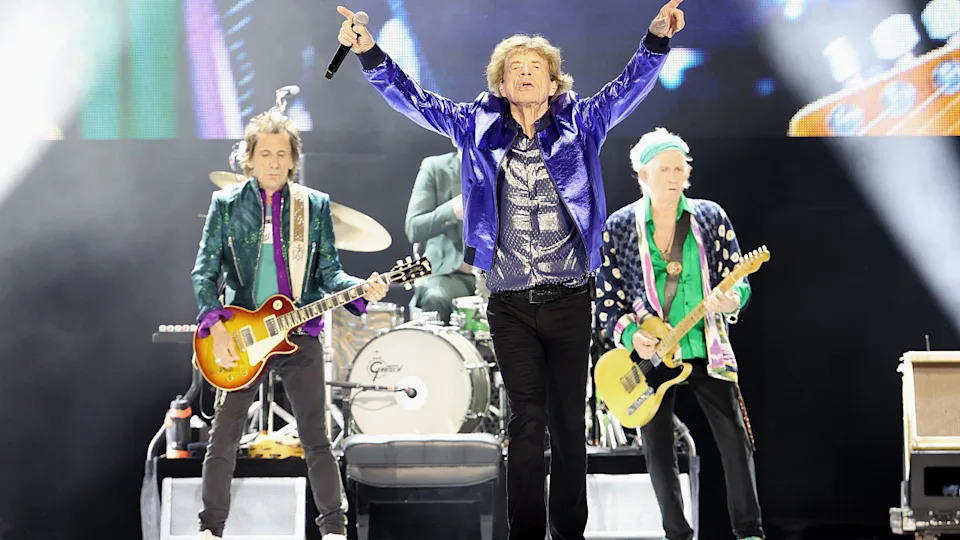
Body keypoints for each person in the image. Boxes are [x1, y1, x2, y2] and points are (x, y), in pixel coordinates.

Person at [334, 3, 685, 538]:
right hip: (510, 302)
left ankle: (569, 530)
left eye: (535, 66)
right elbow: (412, 98)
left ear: (552, 80)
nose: (525, 71)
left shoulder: (583, 121)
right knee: (525, 422)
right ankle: (524, 533)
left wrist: (656, 40)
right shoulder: (474, 125)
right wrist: (369, 52)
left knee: (569, 423)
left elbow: (629, 86)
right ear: (500, 82)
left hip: (570, 298)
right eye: (514, 66)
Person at [190, 109, 389, 540]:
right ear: (249, 158)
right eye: (266, 154)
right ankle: (210, 529)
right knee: (224, 435)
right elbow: (204, 272)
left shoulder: (312, 205)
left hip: (299, 331)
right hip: (241, 334)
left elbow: (330, 274)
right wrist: (215, 323)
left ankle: (334, 530)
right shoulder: (226, 204)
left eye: (282, 154)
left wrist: (362, 288)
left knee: (316, 436)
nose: (275, 162)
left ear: (293, 159)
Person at [594, 128, 763, 540]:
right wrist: (632, 335)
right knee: (658, 447)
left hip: (706, 344)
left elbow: (736, 278)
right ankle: (676, 533)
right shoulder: (619, 227)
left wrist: (732, 297)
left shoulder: (709, 216)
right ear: (643, 175)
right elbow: (604, 301)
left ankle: (750, 531)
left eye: (680, 168)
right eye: (664, 169)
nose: (674, 176)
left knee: (735, 439)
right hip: (651, 356)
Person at [404, 142, 475, 323]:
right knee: (436, 297)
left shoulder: (505, 169)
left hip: (497, 277)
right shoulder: (435, 168)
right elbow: (414, 228)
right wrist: (451, 210)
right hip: (449, 275)